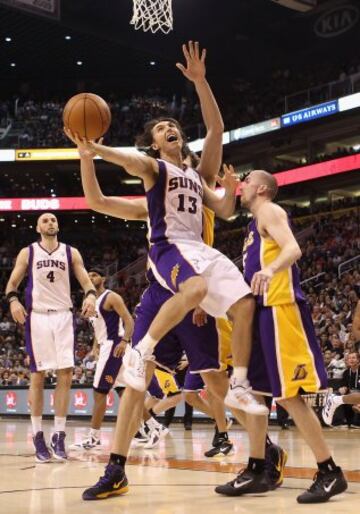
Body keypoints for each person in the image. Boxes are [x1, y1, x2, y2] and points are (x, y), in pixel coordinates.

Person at [70, 42, 266, 415]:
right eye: (161, 128)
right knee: (194, 289)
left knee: (244, 305)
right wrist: (93, 152)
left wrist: (200, 82)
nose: (169, 128)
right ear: (154, 145)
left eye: (172, 124)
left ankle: (239, 385)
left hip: (200, 253)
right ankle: (141, 350)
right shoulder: (154, 174)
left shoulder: (195, 176)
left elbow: (224, 202)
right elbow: (103, 195)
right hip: (170, 254)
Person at [215, 170, 348, 503]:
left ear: (261, 188)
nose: (241, 186)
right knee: (257, 396)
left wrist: (271, 270)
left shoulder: (270, 211)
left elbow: (292, 249)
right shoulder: (251, 224)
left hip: (280, 309)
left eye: (246, 181)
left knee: (290, 397)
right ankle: (258, 468)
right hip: (260, 313)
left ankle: (329, 471)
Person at [5, 212, 97, 462]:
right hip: (38, 317)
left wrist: (90, 295)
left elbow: (87, 282)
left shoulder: (70, 252)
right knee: (38, 375)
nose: (50, 223)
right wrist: (13, 301)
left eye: (54, 220)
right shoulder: (28, 252)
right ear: (38, 227)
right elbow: (11, 284)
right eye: (45, 220)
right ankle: (37, 436)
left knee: (65, 374)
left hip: (64, 316)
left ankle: (59, 434)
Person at [70, 267, 134, 450]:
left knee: (99, 393)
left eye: (95, 275)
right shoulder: (88, 301)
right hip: (105, 346)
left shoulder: (111, 296)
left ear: (103, 278)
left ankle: (94, 438)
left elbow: (129, 320)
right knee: (123, 391)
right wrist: (94, 347)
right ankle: (152, 428)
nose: (90, 277)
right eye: (88, 275)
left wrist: (124, 341)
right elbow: (98, 327)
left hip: (115, 345)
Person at [322, 351, 360, 427]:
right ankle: (339, 421)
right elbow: (344, 385)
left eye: (353, 358)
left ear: (358, 360)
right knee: (338, 393)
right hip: (350, 395)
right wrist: (343, 388)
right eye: (349, 358)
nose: (351, 360)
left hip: (357, 395)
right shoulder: (346, 372)